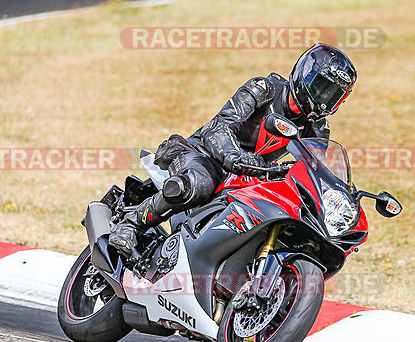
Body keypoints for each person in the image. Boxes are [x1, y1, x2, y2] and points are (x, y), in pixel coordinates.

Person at [109, 43, 357, 255]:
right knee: (199, 184)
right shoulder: (265, 89)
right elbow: (219, 126)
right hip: (203, 155)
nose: (325, 99)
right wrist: (234, 157)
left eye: (334, 95)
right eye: (322, 88)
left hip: (250, 178)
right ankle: (132, 224)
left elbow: (312, 170)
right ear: (305, 76)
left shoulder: (318, 130)